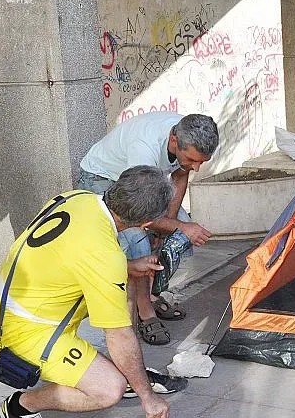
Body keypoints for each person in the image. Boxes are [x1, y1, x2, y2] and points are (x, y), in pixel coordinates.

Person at [0, 166, 176, 418]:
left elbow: (72, 257)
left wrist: (127, 267)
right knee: (109, 389)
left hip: (5, 311)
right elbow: (118, 335)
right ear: (147, 222)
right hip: (21, 334)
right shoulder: (104, 255)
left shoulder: (77, 197)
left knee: (123, 292)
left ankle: (126, 371)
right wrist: (147, 396)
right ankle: (20, 408)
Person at [77, 112, 219, 346]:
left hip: (143, 186)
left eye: (201, 162)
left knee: (177, 238)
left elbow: (180, 176)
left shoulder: (189, 136)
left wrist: (167, 227)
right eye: (192, 160)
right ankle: (145, 312)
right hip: (104, 179)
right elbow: (138, 208)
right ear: (174, 140)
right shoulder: (144, 147)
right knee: (138, 242)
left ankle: (151, 294)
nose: (196, 167)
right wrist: (178, 227)